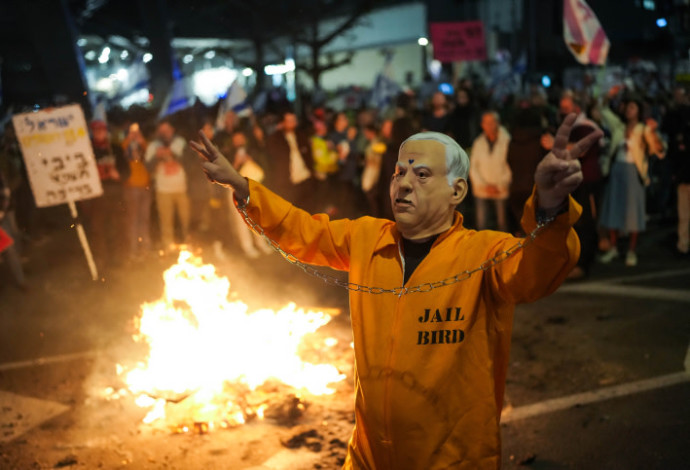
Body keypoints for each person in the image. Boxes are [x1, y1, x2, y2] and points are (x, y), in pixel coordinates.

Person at [191, 113, 601, 469]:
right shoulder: (368, 239)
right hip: (369, 457)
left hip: (452, 460)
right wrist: (242, 188)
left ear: (457, 191)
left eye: (421, 175)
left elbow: (537, 271)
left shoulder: (484, 253)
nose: (403, 184)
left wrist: (548, 207)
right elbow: (304, 231)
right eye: (398, 173)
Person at [598, 94, 666, 266]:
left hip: (634, 172)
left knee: (633, 212)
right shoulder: (619, 127)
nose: (629, 111)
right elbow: (603, 109)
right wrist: (610, 95)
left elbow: (659, 150)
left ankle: (631, 251)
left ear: (639, 111)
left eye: (633, 108)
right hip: (617, 170)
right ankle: (614, 248)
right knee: (613, 208)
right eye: (627, 108)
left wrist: (654, 133)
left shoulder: (643, 129)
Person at [145, 119, 190, 254]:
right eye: (162, 131)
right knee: (166, 220)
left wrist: (172, 154)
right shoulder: (153, 146)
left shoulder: (180, 143)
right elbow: (148, 167)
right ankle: (168, 246)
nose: (165, 133)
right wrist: (157, 157)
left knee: (187, 218)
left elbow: (190, 161)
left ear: (172, 130)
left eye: (167, 130)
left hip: (182, 188)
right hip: (163, 189)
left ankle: (189, 243)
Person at [469, 111, 512, 231]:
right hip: (482, 189)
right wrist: (483, 185)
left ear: (498, 123)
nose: (489, 126)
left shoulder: (507, 141)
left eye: (492, 122)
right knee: (482, 223)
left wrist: (500, 184)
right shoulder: (478, 143)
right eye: (486, 123)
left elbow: (510, 166)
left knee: (502, 223)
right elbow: (473, 166)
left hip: (500, 188)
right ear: (482, 125)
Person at [121, 122, 152, 261]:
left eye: (137, 131)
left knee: (144, 218)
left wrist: (141, 141)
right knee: (133, 219)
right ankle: (133, 249)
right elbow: (121, 153)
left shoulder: (144, 145)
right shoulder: (124, 145)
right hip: (131, 186)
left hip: (145, 186)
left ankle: (145, 247)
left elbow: (150, 156)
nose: (135, 134)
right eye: (132, 131)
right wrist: (129, 139)